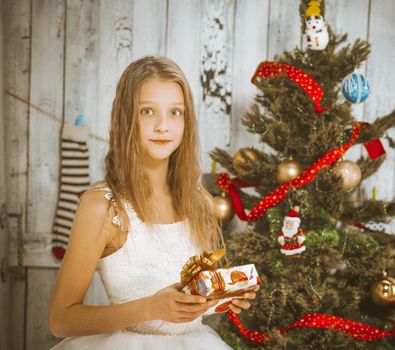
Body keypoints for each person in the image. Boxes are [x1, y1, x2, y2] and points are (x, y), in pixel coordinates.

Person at [48, 56, 258, 349]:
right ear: (125, 119)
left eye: (175, 112)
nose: (163, 126)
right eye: (147, 111)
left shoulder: (198, 200)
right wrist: (150, 308)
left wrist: (222, 297)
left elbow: (191, 300)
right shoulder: (102, 207)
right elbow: (61, 320)